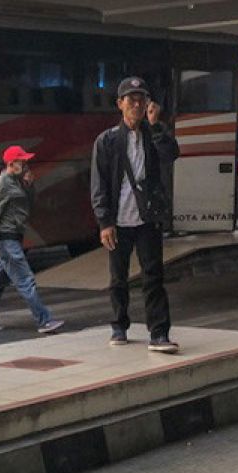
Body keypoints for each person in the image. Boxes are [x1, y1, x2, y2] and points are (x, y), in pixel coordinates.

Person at [89, 76, 180, 353]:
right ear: (120, 104)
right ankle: (119, 325)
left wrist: (156, 127)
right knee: (118, 278)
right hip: (119, 220)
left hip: (147, 218)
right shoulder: (107, 141)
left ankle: (159, 332)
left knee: (153, 276)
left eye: (142, 99)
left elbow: (172, 154)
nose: (137, 105)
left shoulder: (153, 135)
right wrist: (104, 221)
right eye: (131, 100)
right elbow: (99, 183)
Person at [0, 145, 65, 335]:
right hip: (6, 240)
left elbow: (29, 205)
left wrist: (29, 186)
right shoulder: (1, 184)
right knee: (25, 280)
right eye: (22, 162)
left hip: (14, 237)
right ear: (11, 163)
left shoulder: (17, 182)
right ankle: (44, 320)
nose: (26, 165)